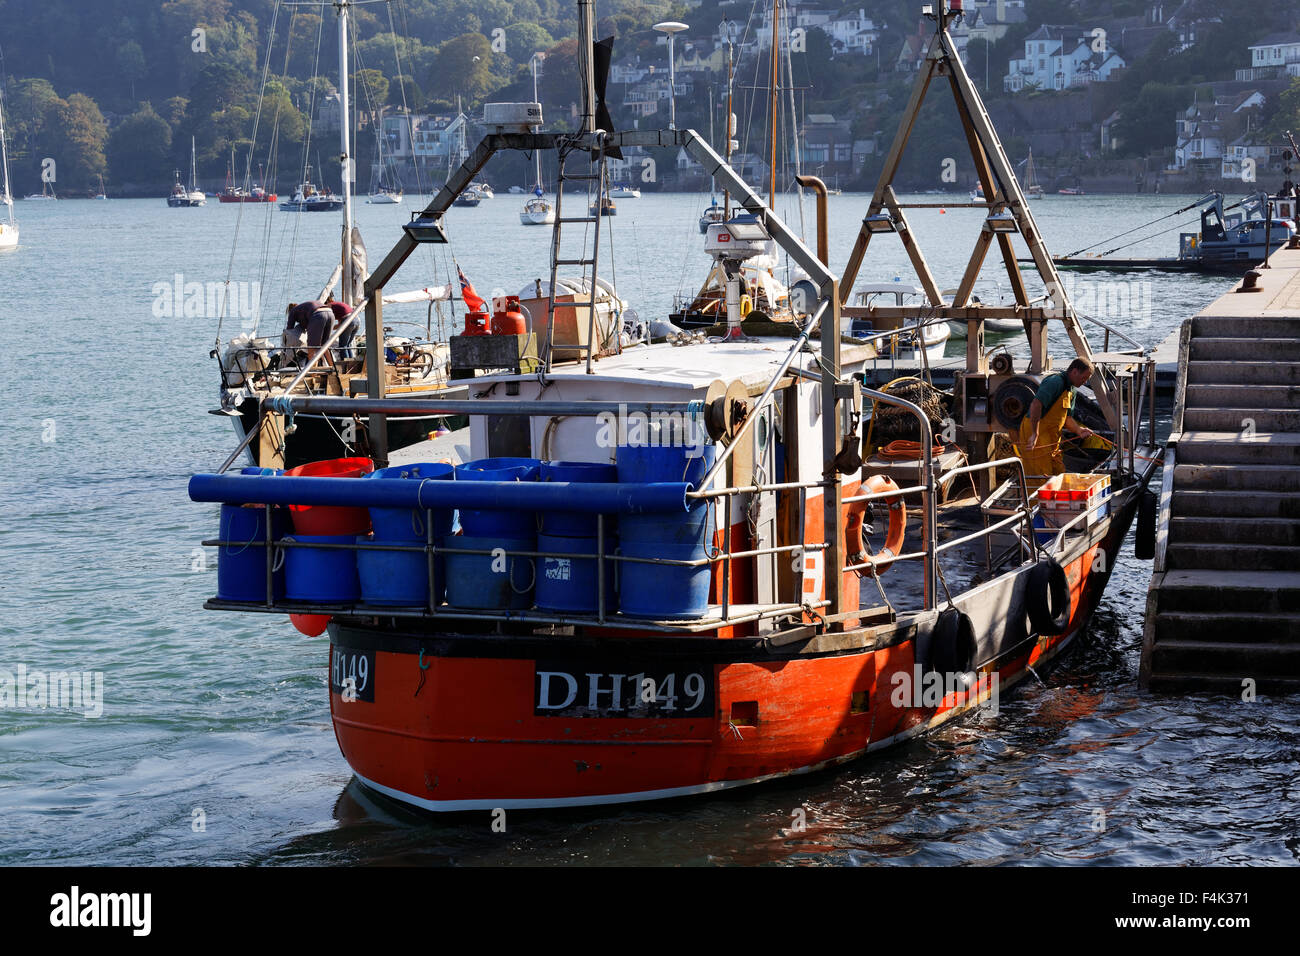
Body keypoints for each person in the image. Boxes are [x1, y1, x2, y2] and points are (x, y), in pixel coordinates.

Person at [1016, 357, 1097, 476]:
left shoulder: (1072, 390)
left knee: (1058, 472)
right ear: (1074, 372)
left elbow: (1067, 418)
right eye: (1084, 378)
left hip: (1052, 438)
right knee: (1041, 475)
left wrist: (1079, 430)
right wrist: (1035, 433)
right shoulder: (1055, 382)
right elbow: (1036, 405)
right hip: (1036, 434)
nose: (1085, 382)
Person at [284, 300, 338, 365]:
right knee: (325, 345)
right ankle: (333, 367)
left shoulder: (293, 311)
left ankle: (313, 371)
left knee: (312, 347)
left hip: (318, 315)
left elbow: (289, 330)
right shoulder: (303, 308)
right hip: (330, 313)